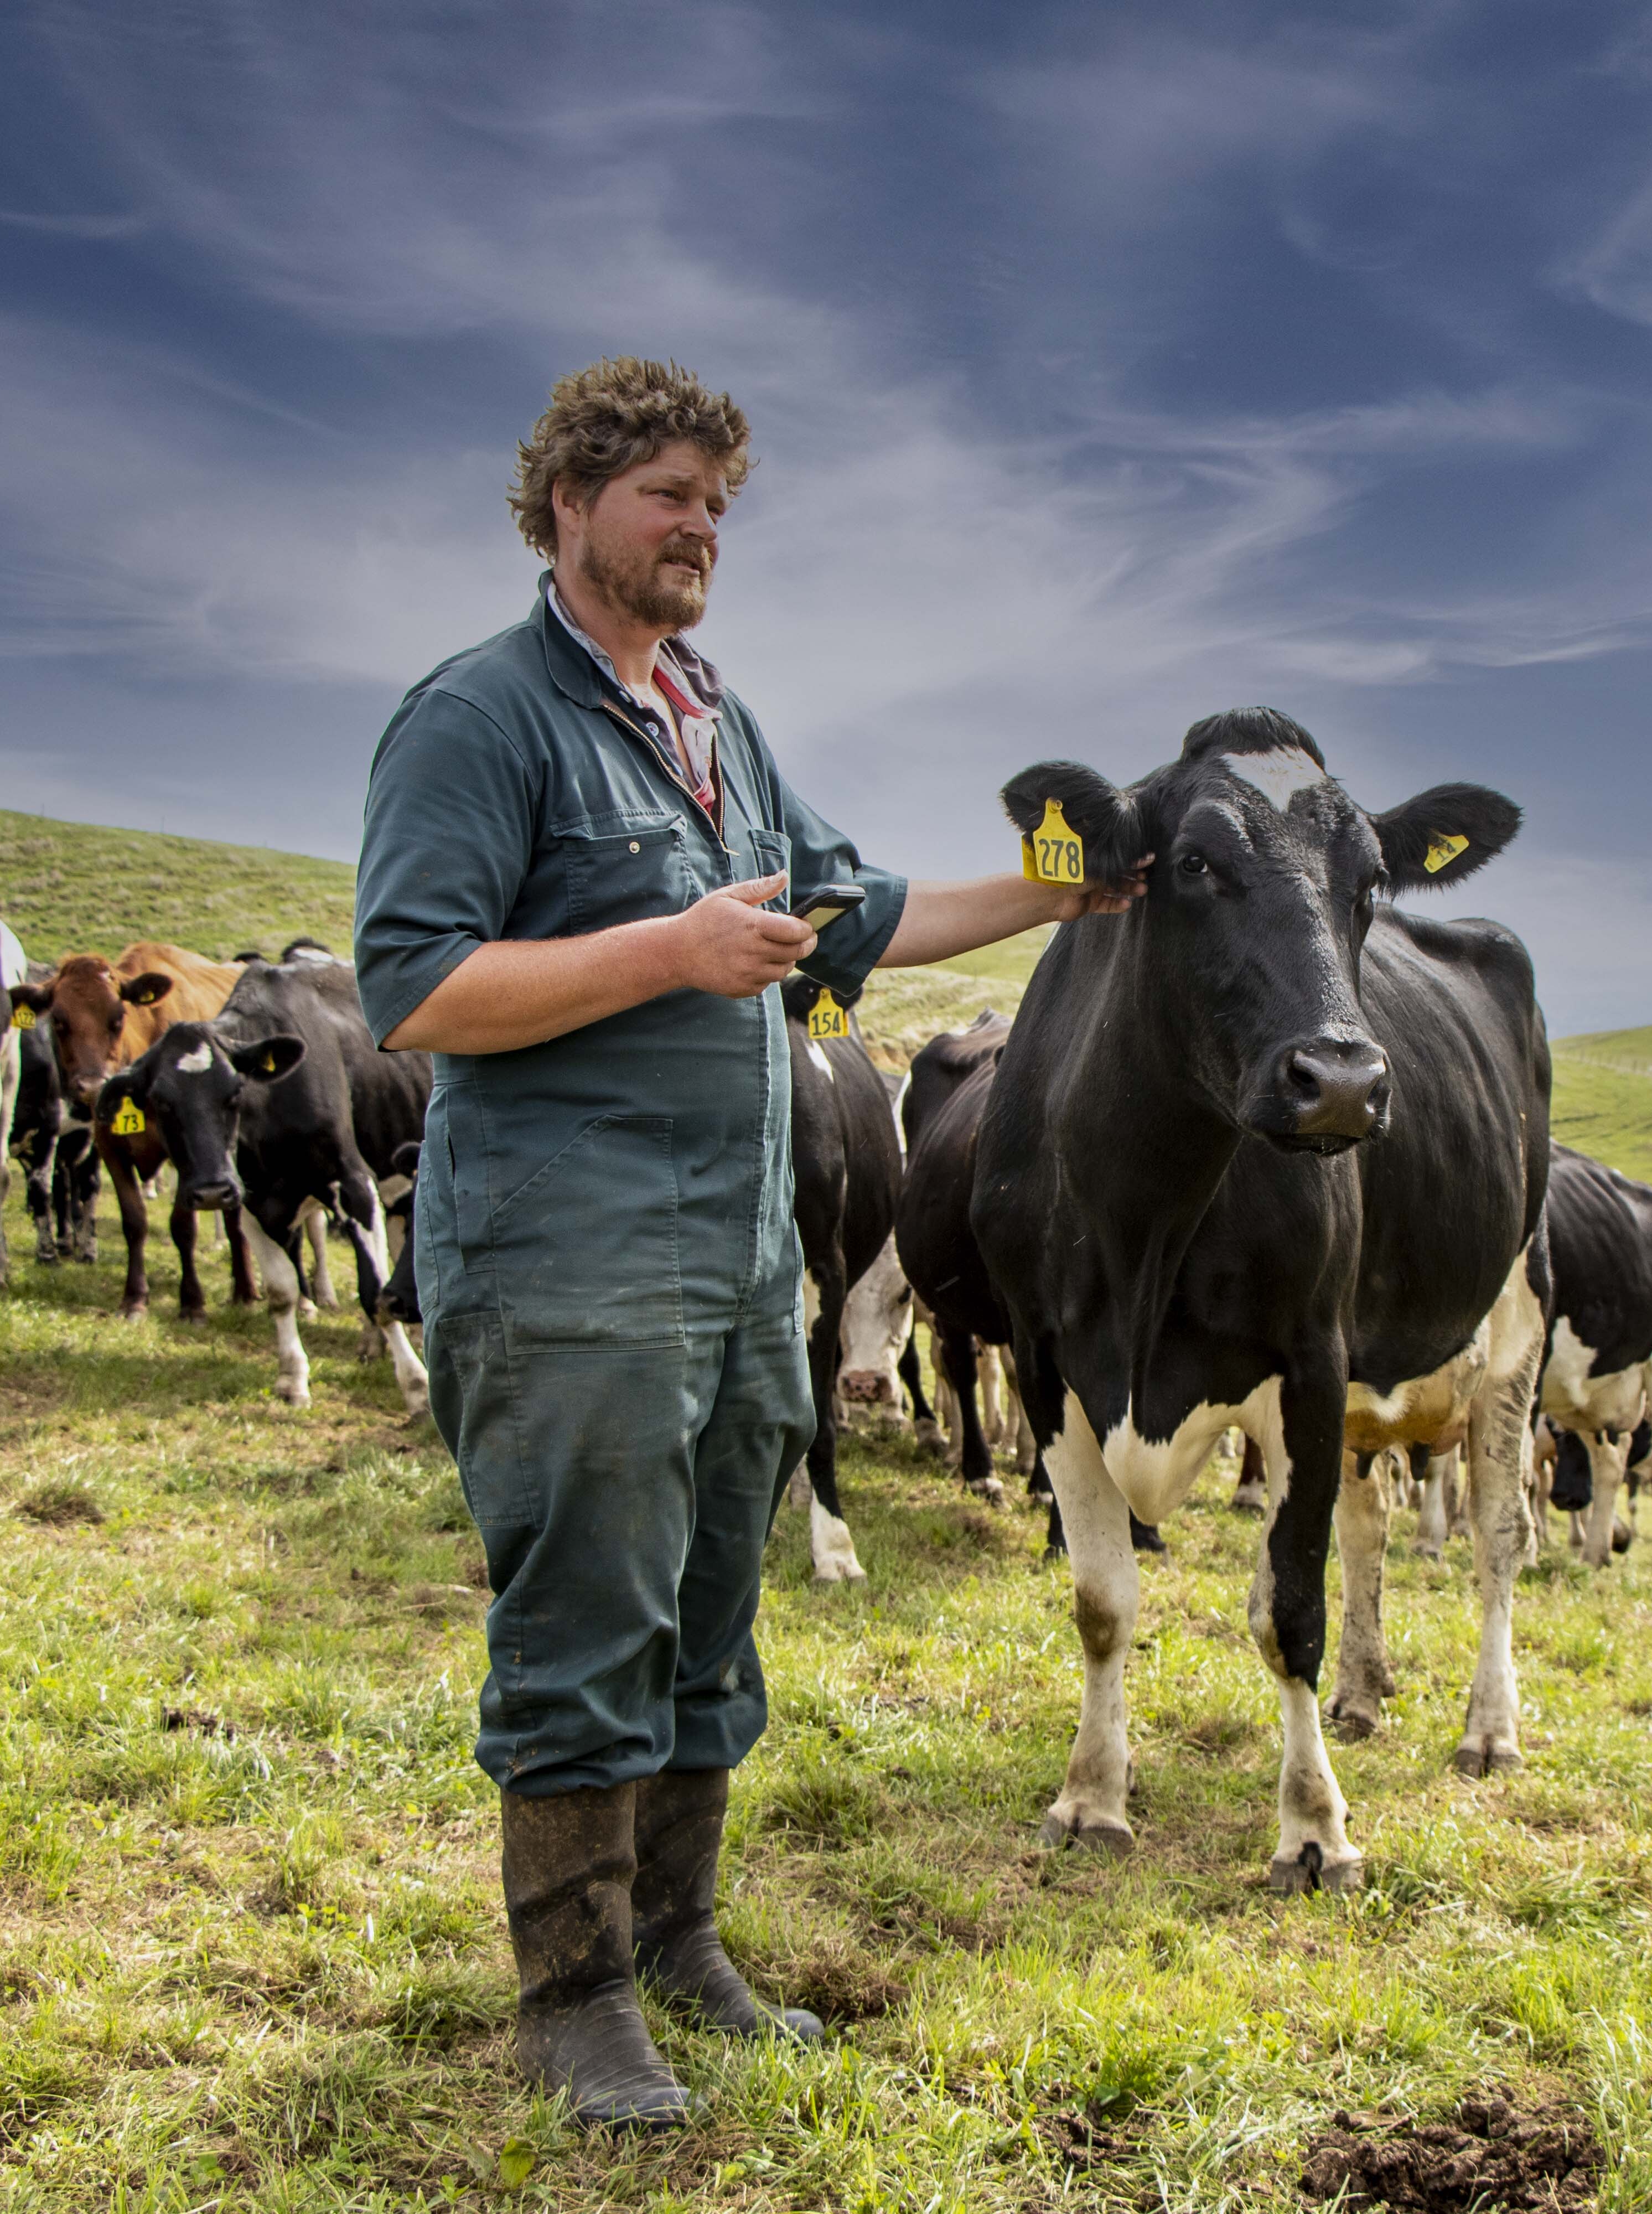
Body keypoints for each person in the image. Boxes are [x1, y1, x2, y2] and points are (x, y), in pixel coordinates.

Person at [353, 358, 1139, 2127]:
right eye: (667, 495)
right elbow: (414, 990)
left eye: (719, 501)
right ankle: (570, 1997)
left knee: (713, 1613)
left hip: (735, 1260)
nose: (702, 527)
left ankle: (683, 1943)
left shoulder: (718, 723)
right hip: (567, 1261)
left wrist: (1061, 893)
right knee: (588, 1619)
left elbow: (861, 918)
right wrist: (665, 952)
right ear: (567, 504)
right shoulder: (482, 718)